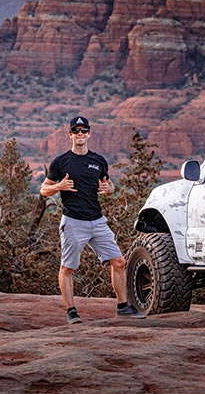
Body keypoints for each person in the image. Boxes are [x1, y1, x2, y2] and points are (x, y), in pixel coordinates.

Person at [41, 115, 145, 324]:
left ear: (89, 133)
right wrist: (58, 187)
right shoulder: (61, 162)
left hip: (97, 221)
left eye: (83, 131)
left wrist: (109, 189)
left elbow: (109, 185)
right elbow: (44, 190)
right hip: (73, 222)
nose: (80, 134)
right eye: (76, 131)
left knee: (118, 262)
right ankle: (71, 312)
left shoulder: (98, 161)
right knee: (67, 268)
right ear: (70, 134)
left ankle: (123, 307)